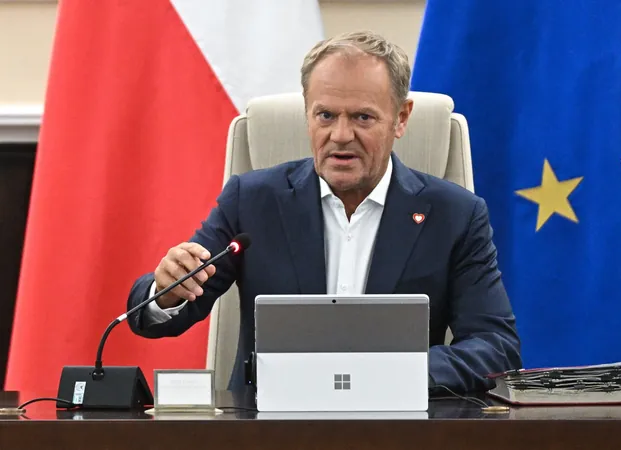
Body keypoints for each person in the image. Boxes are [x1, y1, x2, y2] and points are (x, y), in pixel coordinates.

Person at [127, 30, 522, 393]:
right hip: (270, 426)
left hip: (396, 424)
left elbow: (496, 348)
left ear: (401, 118)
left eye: (362, 117)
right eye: (326, 116)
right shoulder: (252, 201)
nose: (341, 135)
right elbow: (155, 317)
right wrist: (167, 292)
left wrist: (396, 371)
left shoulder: (455, 214)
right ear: (308, 114)